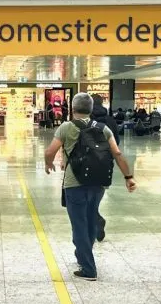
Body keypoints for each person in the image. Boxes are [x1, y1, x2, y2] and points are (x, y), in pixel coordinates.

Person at [44, 93, 136, 281]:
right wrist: (129, 177)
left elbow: (50, 151)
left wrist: (48, 163)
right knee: (90, 218)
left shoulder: (66, 127)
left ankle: (88, 269)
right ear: (91, 109)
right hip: (98, 183)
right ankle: (83, 256)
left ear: (72, 107)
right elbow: (117, 153)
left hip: (74, 184)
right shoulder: (103, 129)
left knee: (79, 225)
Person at [90, 94, 119, 242]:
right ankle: (95, 218)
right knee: (96, 194)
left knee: (85, 198)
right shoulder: (110, 121)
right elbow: (116, 144)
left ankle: (96, 219)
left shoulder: (85, 121)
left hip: (86, 165)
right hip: (105, 165)